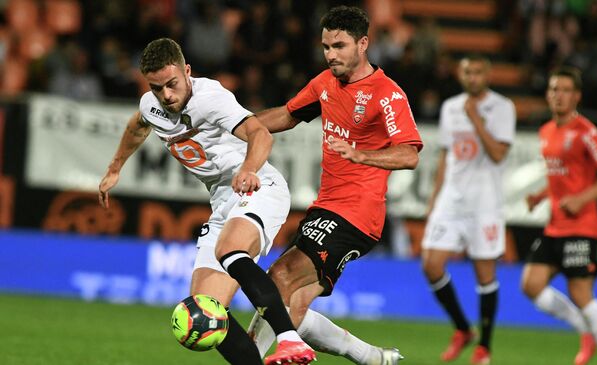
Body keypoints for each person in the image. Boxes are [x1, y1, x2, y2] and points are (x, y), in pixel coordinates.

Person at [97, 38, 315, 365]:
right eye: (157, 88)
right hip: (223, 201)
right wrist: (115, 168)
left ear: (187, 71)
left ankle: (289, 341)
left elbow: (260, 134)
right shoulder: (151, 105)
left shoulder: (210, 98)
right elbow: (138, 126)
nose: (167, 95)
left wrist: (248, 169)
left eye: (172, 84)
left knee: (230, 250)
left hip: (258, 187)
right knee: (206, 309)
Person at [247, 6, 422, 365]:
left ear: (363, 44)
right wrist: (237, 125)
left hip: (358, 212)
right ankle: (369, 357)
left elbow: (409, 154)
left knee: (279, 276)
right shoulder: (325, 83)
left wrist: (362, 155)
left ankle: (245, 358)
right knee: (294, 301)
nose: (330, 55)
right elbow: (288, 114)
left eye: (339, 46)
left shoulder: (387, 93)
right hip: (327, 205)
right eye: (326, 47)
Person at [522, 66, 597, 365]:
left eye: (565, 90)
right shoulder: (546, 131)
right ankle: (585, 329)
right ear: (548, 94)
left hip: (582, 226)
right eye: (554, 89)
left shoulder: (586, 132)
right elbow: (560, 177)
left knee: (580, 291)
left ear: (576, 96)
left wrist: (582, 199)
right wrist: (541, 195)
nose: (559, 96)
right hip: (555, 226)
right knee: (530, 285)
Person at [420, 54, 516, 365]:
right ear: (460, 75)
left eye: (477, 72)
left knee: (484, 274)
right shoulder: (450, 107)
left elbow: (499, 154)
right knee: (431, 264)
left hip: (485, 202)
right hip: (452, 198)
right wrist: (435, 198)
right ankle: (463, 329)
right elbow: (446, 156)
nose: (471, 77)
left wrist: (476, 119)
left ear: (487, 74)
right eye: (466, 72)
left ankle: (484, 346)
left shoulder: (502, 108)